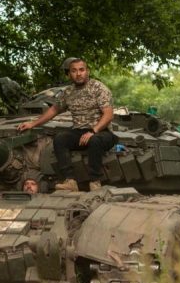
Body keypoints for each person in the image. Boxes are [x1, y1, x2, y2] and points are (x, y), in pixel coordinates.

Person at [17, 58, 115, 191]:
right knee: (60, 138)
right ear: (69, 74)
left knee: (95, 140)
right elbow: (54, 110)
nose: (78, 74)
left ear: (87, 71)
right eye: (74, 71)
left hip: (102, 132)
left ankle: (95, 182)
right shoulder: (68, 92)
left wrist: (93, 131)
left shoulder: (98, 88)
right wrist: (33, 124)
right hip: (80, 132)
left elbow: (108, 115)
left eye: (81, 70)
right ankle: (70, 181)